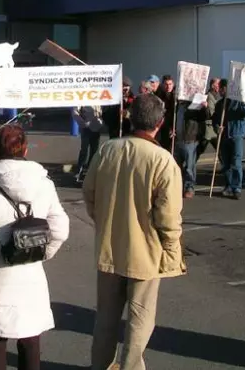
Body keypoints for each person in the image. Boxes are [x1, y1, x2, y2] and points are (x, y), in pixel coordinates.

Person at [83, 94, 185, 370]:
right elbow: (169, 218)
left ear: (129, 116)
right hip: (146, 252)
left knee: (105, 317)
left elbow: (89, 194)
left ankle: (100, 365)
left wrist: (104, 221)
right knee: (139, 321)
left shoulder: (107, 150)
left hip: (109, 247)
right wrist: (172, 252)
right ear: (161, 123)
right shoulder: (163, 161)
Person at [0, 125, 69, 370]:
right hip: (30, 270)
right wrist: (40, 253)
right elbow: (60, 228)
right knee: (30, 337)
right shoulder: (43, 182)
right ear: (26, 148)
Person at [213, 79, 245, 199]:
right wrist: (217, 128)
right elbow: (215, 119)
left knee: (236, 162)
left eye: (222, 88)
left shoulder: (239, 102)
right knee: (225, 162)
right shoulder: (219, 104)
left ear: (227, 89)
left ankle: (237, 188)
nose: (220, 91)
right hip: (224, 135)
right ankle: (229, 186)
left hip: (237, 134)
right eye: (219, 88)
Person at [176, 97, 209, 199]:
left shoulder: (195, 105)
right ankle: (178, 187)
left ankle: (189, 187)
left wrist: (205, 108)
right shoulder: (178, 105)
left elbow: (204, 117)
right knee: (177, 166)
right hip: (178, 139)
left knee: (189, 167)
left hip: (190, 139)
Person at [72, 105, 104, 183]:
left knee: (94, 150)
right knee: (84, 150)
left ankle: (90, 170)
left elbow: (102, 111)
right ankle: (79, 170)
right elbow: (74, 112)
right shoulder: (84, 98)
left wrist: (101, 121)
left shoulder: (99, 99)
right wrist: (83, 123)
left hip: (96, 127)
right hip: (86, 128)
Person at [155, 75, 176, 150]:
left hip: (174, 126)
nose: (168, 86)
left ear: (173, 84)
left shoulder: (176, 95)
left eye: (170, 84)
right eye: (166, 84)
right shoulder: (159, 96)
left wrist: (174, 127)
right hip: (164, 126)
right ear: (163, 85)